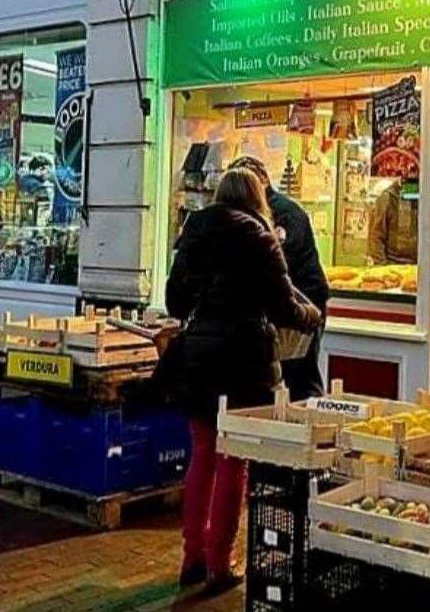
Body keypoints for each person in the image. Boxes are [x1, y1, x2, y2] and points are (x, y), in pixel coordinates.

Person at [164, 168, 321, 593]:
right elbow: (286, 305)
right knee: (234, 460)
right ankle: (220, 562)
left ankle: (191, 556)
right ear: (258, 197)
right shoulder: (260, 237)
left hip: (198, 357)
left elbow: (173, 301)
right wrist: (314, 314)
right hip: (243, 362)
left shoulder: (192, 233)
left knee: (202, 453)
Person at [228, 155, 330, 400]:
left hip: (304, 302)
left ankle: (311, 419)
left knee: (299, 372)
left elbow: (279, 263)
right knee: (285, 373)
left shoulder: (284, 213)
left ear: (262, 182)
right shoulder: (250, 212)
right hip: (283, 306)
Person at [368, 179, 418, 265]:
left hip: (418, 267)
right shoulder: (387, 198)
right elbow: (375, 236)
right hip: (392, 265)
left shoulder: (423, 198)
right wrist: (382, 268)